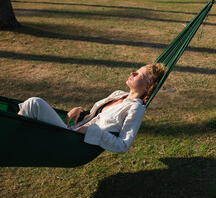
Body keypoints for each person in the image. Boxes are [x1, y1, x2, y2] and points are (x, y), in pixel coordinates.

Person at [18, 63, 166, 153]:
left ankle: (10, 138)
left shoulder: (136, 109)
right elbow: (96, 115)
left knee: (34, 104)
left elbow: (123, 145)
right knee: (32, 106)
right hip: (71, 130)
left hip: (75, 144)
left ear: (147, 87)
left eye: (138, 74)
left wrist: (91, 131)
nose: (132, 73)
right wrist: (80, 109)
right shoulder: (118, 95)